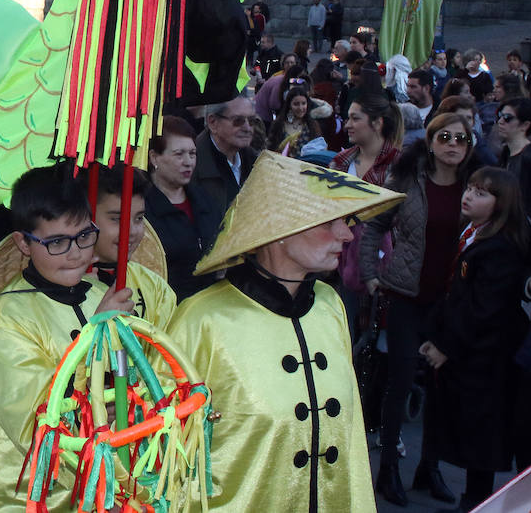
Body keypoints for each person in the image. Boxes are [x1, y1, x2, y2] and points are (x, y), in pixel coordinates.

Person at [167, 151, 402, 512]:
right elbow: (168, 453)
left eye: (347, 220)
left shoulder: (329, 305)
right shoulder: (201, 320)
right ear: (277, 227)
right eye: (329, 220)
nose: (347, 234)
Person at [0, 163, 134, 512]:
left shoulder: (100, 294)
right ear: (23, 243)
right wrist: (97, 333)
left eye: (85, 236)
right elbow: (39, 418)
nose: (75, 253)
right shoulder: (5, 318)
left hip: (101, 483)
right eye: (56, 241)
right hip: (26, 492)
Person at [358, 114, 474, 506]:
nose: (453, 144)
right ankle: (388, 467)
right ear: (430, 141)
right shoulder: (408, 180)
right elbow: (374, 225)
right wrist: (371, 273)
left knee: (441, 386)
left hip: (448, 300)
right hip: (405, 295)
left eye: (461, 138)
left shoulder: (474, 186)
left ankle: (430, 467)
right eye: (445, 137)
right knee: (400, 381)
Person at [420, 167, 530, 511]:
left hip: (486, 358)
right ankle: (472, 500)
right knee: (471, 431)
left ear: (501, 204)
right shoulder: (474, 233)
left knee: (482, 436)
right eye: (469, 188)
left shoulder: (500, 248)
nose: (468, 196)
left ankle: (475, 502)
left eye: (481, 193)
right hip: (471, 352)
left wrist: (447, 347)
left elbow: (482, 310)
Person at [330, 91, 402, 323]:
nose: (348, 124)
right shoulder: (340, 162)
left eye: (355, 118)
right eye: (348, 118)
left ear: (377, 123)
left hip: (387, 266)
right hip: (342, 262)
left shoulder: (400, 165)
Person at [87, 164, 178, 328]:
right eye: (116, 219)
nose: (131, 231)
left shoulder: (154, 287)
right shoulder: (65, 287)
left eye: (139, 218)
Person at [146, 117, 225, 299]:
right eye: (178, 154)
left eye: (192, 153)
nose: (188, 162)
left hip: (207, 304)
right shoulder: (142, 206)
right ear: (154, 157)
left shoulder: (204, 199)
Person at [192, 94, 259, 212]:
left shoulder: (257, 163)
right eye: (238, 121)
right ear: (213, 122)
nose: (248, 128)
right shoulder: (191, 167)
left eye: (252, 121)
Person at [496, 97, 531, 221]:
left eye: (507, 118)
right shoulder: (506, 154)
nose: (500, 121)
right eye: (500, 115)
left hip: (526, 233)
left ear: (525, 125)